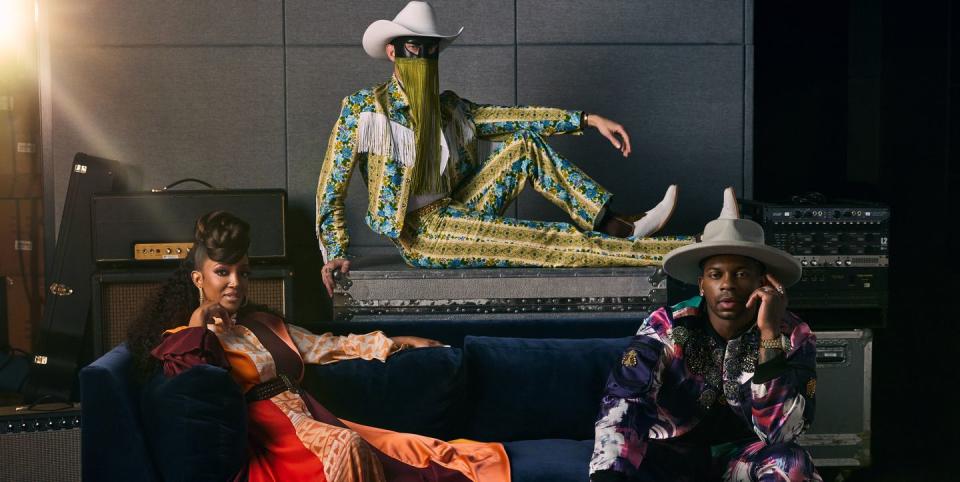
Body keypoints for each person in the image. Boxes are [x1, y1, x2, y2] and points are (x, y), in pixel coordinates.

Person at [316, 0, 693, 293]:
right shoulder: (365, 110)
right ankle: (690, 247)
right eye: (415, 48)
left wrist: (586, 119)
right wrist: (335, 251)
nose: (424, 58)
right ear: (393, 52)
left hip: (458, 206)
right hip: (421, 233)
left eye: (431, 50)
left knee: (525, 145)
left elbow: (514, 117)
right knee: (543, 241)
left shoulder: (450, 108)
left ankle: (614, 225)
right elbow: (331, 190)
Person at [126, 211, 510, 482]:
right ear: (198, 278)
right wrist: (201, 320)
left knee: (413, 450)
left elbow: (327, 346)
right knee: (346, 449)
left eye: (243, 272)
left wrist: (393, 341)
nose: (235, 283)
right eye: (222, 272)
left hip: (309, 416)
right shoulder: (182, 337)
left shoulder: (262, 323)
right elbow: (192, 378)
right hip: (268, 437)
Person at [588, 189, 822, 482]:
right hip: (667, 457)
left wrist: (770, 333)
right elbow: (626, 401)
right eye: (716, 274)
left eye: (741, 274)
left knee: (792, 462)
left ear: (763, 282)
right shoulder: (667, 325)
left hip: (740, 460)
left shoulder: (795, 334)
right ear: (701, 285)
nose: (727, 285)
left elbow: (781, 433)